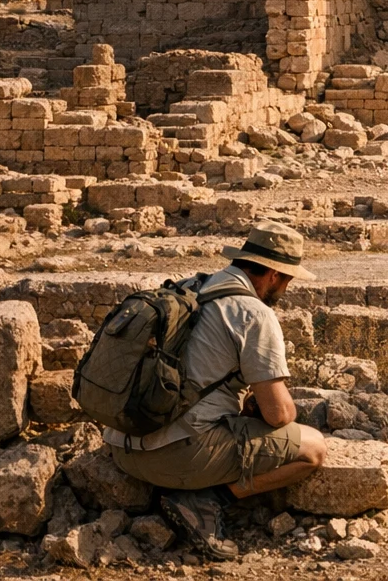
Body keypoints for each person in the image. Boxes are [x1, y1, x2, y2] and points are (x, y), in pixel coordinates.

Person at [106, 222, 327, 560]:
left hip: (122, 449)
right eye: (288, 280)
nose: (286, 288)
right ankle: (209, 500)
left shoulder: (188, 287)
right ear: (273, 275)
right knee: (313, 449)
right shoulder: (254, 313)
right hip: (173, 457)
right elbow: (279, 414)